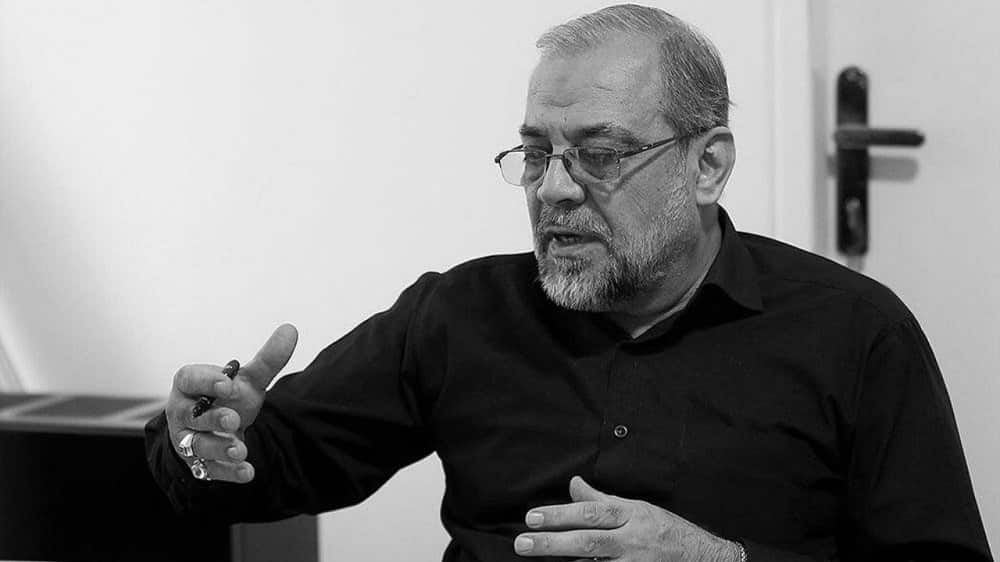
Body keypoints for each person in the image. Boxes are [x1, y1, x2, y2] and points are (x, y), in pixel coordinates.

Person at [145, 4, 993, 561]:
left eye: (600, 154)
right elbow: (257, 469)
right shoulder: (461, 314)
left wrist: (723, 560)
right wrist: (201, 443)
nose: (553, 188)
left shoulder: (852, 332)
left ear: (707, 166)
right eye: (537, 153)